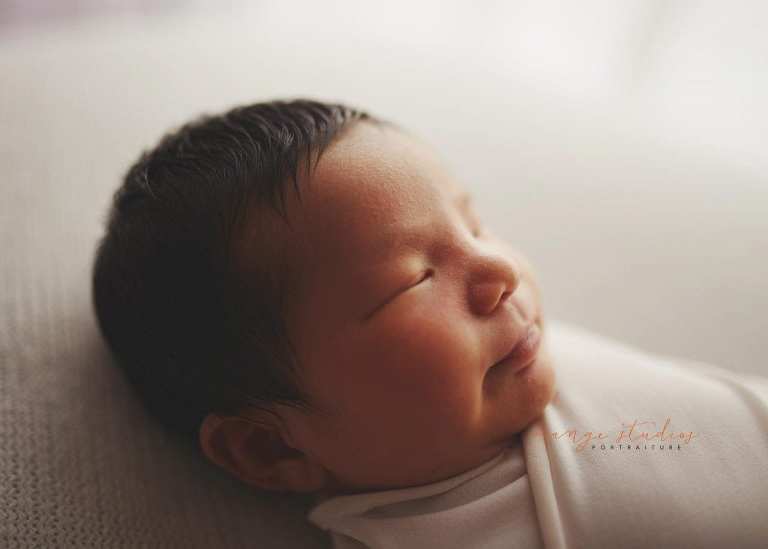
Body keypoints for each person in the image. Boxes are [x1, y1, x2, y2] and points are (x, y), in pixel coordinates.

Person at [92, 100, 768, 548]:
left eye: (475, 225)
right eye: (412, 280)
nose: (498, 269)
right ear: (272, 449)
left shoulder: (517, 354)